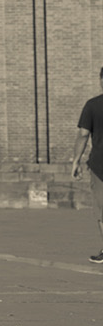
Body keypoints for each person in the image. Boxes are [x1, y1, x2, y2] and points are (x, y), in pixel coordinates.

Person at [70, 66, 103, 263]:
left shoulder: (92, 105)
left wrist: (76, 161)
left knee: (102, 210)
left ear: (101, 80)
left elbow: (83, 134)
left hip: (100, 166)